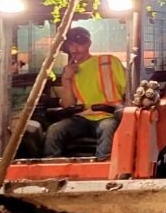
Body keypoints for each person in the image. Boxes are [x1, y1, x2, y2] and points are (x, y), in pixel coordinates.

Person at [44, 27, 127, 159]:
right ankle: (52, 166)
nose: (75, 49)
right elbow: (68, 104)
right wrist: (66, 79)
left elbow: (127, 90)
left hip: (108, 115)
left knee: (107, 129)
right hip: (81, 118)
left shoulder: (108, 62)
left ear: (88, 44)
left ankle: (103, 166)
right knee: (55, 130)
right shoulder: (70, 71)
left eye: (80, 44)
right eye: (71, 44)